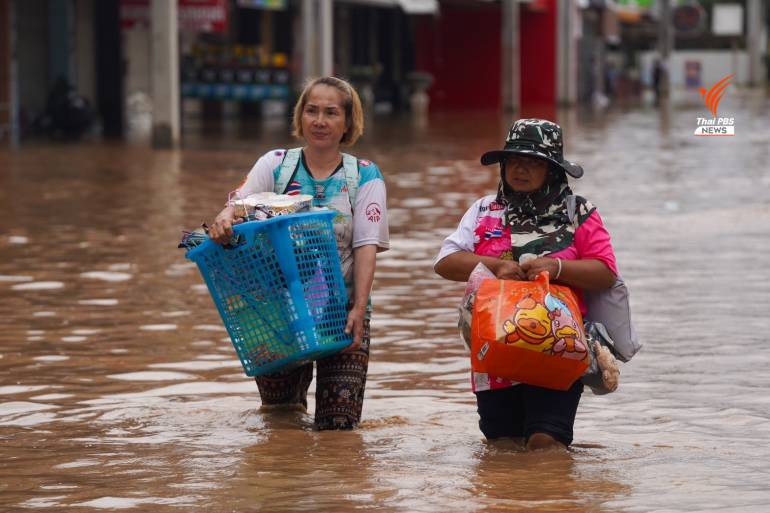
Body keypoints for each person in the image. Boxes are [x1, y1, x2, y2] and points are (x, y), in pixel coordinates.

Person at [209, 76, 389, 430]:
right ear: (300, 116)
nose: (320, 121)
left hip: (340, 312)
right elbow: (237, 206)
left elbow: (366, 246)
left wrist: (359, 308)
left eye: (331, 113)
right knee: (281, 423)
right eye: (311, 111)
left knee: (338, 429)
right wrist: (224, 219)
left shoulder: (364, 175)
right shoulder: (275, 164)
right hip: (277, 313)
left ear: (348, 123)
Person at [434, 119, 618, 450]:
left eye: (534, 162)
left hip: (558, 347)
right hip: (494, 349)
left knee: (547, 443)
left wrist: (557, 267)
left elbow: (605, 271)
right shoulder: (484, 210)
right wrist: (498, 266)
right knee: (501, 446)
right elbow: (446, 262)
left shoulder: (579, 213)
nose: (521, 169)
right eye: (514, 161)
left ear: (552, 170)